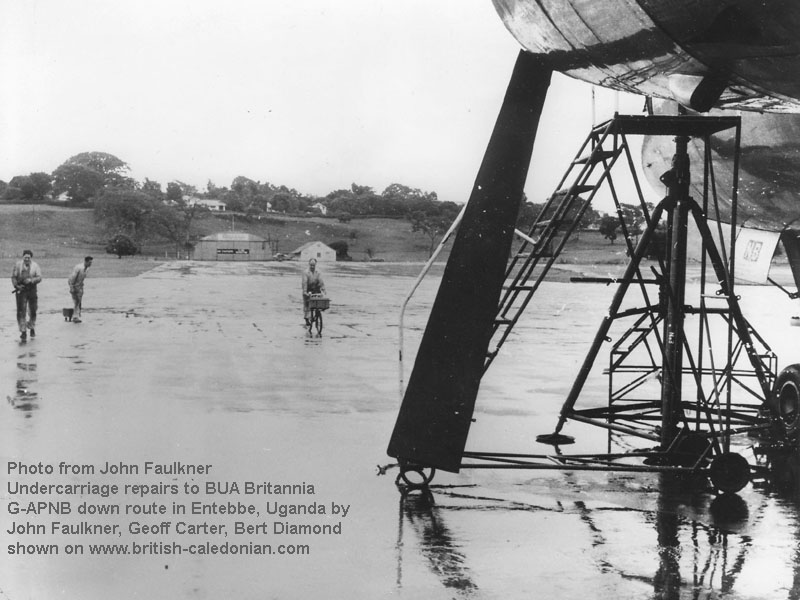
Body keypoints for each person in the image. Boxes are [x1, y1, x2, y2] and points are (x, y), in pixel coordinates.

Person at [11, 250, 42, 341]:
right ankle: (23, 331)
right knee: (21, 311)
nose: (27, 259)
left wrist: (31, 280)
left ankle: (31, 327)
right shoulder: (17, 265)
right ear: (23, 257)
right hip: (21, 291)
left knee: (33, 310)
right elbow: (13, 277)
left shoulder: (35, 266)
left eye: (28, 257)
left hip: (32, 290)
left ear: (31, 258)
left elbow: (39, 277)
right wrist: (16, 286)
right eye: (25, 257)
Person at [67, 256, 93, 323]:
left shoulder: (87, 268)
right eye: (89, 262)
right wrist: (72, 287)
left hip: (80, 286)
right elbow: (72, 277)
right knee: (76, 301)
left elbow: (82, 278)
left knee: (79, 301)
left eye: (91, 262)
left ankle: (77, 314)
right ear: (86, 261)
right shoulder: (78, 267)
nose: (90, 264)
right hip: (74, 285)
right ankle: (75, 317)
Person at [301, 258, 326, 325]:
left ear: (315, 265)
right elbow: (304, 283)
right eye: (311, 265)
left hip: (316, 288)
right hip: (308, 289)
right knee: (307, 304)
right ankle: (306, 319)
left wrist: (323, 290)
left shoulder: (318, 272)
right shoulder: (306, 272)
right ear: (309, 264)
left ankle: (317, 314)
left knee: (318, 301)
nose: (312, 266)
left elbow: (321, 281)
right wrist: (305, 292)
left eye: (313, 265)